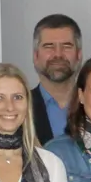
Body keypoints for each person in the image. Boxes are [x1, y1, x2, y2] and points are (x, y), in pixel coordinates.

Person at [30, 14, 83, 144]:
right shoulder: (20, 107)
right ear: (36, 56)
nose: (58, 54)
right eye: (49, 46)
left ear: (79, 55)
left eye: (66, 46)